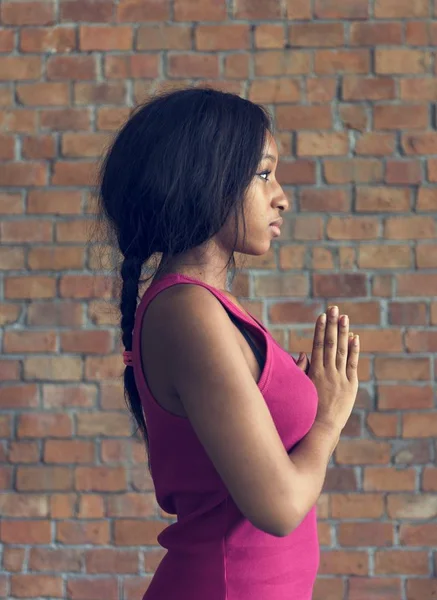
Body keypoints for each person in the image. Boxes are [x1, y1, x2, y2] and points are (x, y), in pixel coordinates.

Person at [95, 86, 360, 600]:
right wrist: (327, 419)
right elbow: (279, 508)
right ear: (204, 181)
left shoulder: (208, 307)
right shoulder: (187, 311)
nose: (280, 195)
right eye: (263, 174)